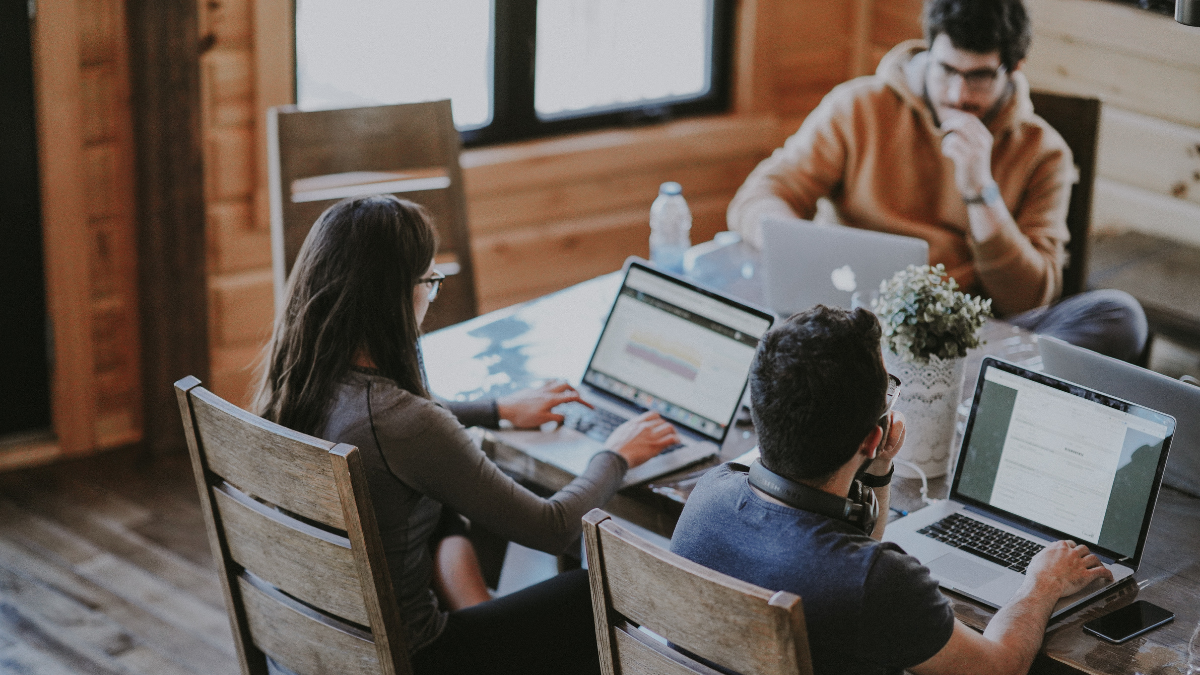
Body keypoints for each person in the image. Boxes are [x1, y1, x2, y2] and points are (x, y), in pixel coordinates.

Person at [253, 195, 681, 675]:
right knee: (582, 594)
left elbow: (403, 429)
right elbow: (552, 526)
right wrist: (616, 453)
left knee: (446, 506)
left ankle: (476, 605)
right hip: (410, 659)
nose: (431, 295)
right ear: (394, 295)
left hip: (306, 644)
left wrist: (497, 410)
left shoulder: (300, 380)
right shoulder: (403, 422)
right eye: (430, 282)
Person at [670, 306, 1114, 675]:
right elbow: (999, 668)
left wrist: (877, 470)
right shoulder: (879, 582)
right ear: (869, 437)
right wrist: (1041, 584)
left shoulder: (708, 496)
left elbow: (842, 557)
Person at [727, 0, 1147, 363]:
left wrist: (981, 190)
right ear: (929, 49)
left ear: (1013, 68)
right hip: (854, 319)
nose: (958, 93)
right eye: (946, 69)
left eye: (980, 76)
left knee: (1119, 316)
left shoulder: (1044, 152)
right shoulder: (857, 107)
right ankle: (951, 391)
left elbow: (1030, 298)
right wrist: (802, 251)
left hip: (970, 336)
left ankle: (952, 388)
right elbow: (759, 197)